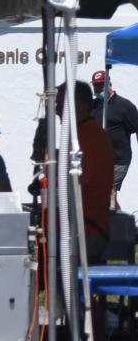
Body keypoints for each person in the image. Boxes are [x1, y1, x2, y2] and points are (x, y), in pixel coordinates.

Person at [60, 81, 112, 264]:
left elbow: (78, 186)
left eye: (60, 103)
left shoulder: (83, 137)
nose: (57, 110)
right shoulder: (91, 133)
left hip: (85, 230)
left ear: (76, 105)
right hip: (91, 228)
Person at [91, 70, 138, 210]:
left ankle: (109, 226)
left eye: (100, 85)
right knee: (103, 193)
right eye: (95, 85)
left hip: (118, 159)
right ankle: (120, 223)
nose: (97, 88)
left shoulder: (125, 106)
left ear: (108, 84)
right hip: (98, 159)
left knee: (108, 191)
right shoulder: (94, 106)